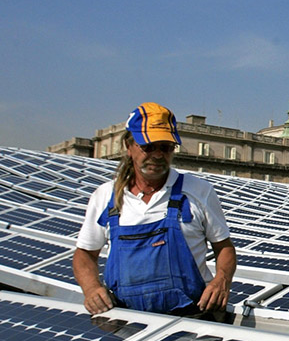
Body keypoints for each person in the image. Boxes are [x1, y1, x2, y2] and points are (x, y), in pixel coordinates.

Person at [74, 102, 237, 317]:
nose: (158, 155)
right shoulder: (106, 197)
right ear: (129, 146)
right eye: (148, 147)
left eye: (166, 147)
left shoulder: (198, 191)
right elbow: (85, 253)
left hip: (193, 316)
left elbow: (224, 247)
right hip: (126, 318)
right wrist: (91, 288)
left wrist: (221, 280)